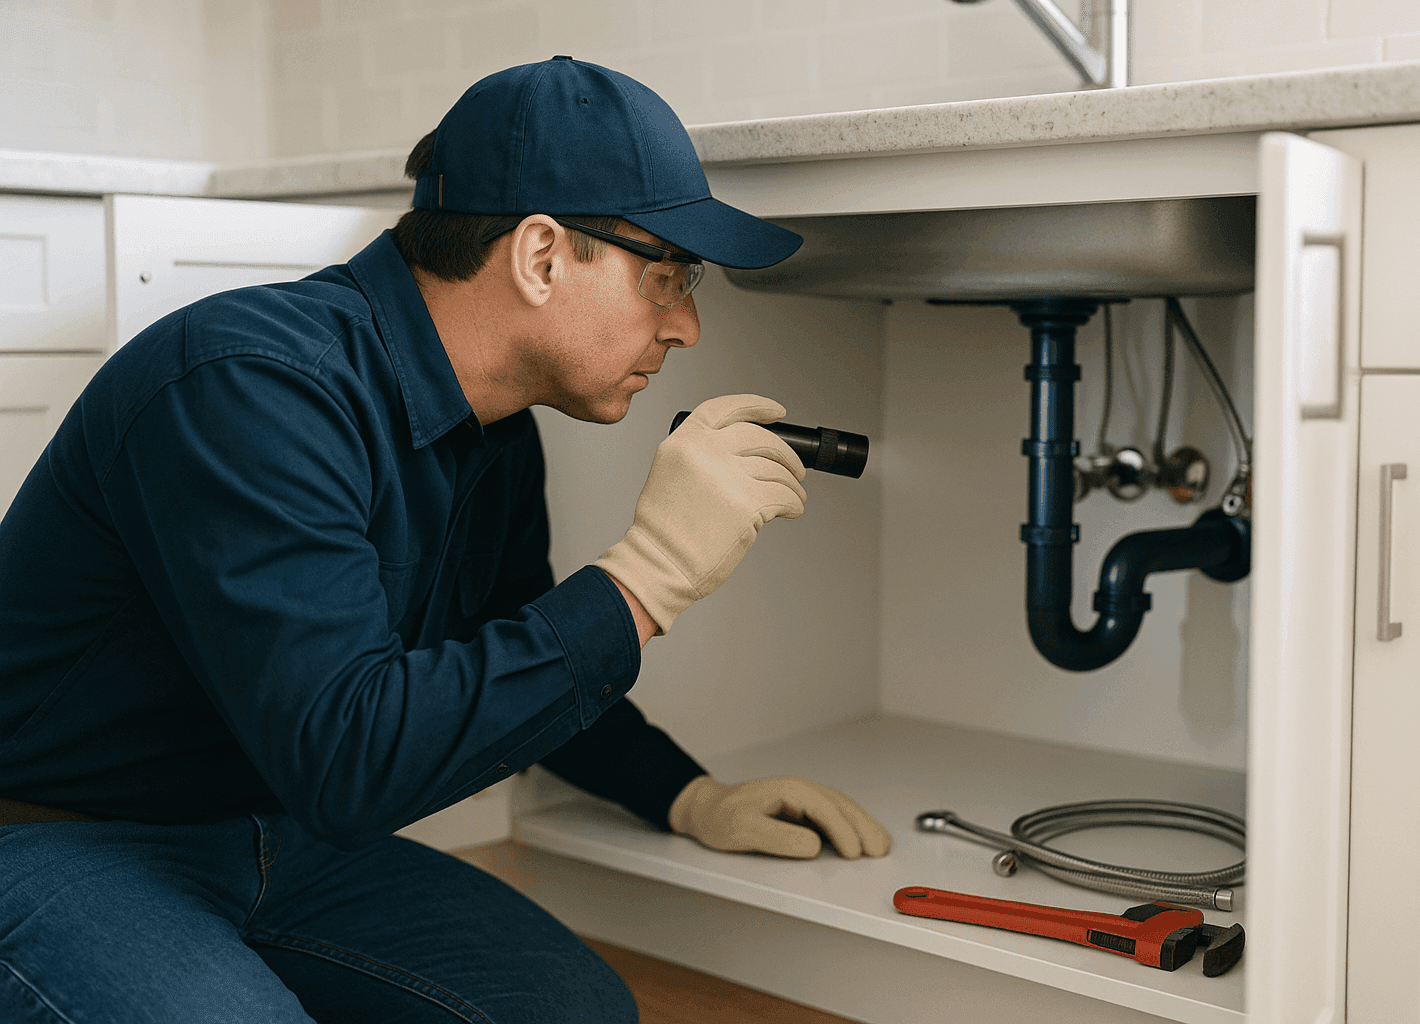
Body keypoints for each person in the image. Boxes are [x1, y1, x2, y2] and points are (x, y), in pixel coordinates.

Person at [0, 57, 890, 1023]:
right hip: (52, 839)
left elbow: (512, 638)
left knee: (578, 1013)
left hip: (268, 837)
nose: (687, 326)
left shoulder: (495, 428)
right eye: (666, 274)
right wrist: (649, 578)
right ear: (542, 255)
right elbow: (350, 763)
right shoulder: (247, 386)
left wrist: (688, 796)